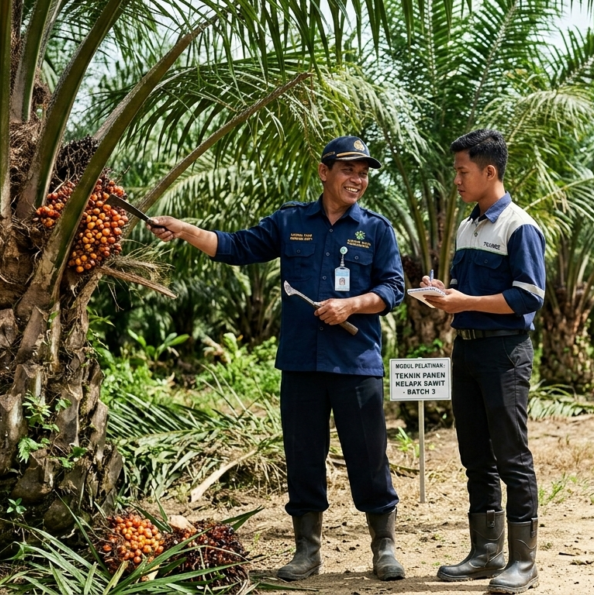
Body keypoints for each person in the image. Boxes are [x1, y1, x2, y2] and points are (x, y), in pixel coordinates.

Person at [147, 136, 406, 582]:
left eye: (363, 172)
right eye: (349, 169)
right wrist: (187, 230)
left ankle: (383, 547)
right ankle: (307, 550)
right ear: (324, 172)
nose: (358, 179)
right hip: (302, 363)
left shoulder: (376, 230)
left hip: (355, 363)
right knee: (304, 456)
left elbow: (394, 288)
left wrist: (352, 305)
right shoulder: (290, 222)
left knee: (369, 457)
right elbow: (236, 247)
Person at [420, 129, 545, 593]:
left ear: (489, 171)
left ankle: (524, 561)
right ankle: (486, 553)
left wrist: (465, 299)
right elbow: (464, 295)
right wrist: (444, 295)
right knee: (475, 455)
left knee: (511, 455)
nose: (456, 179)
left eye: (462, 171)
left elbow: (528, 295)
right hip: (466, 349)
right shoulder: (468, 225)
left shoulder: (519, 226)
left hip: (504, 352)